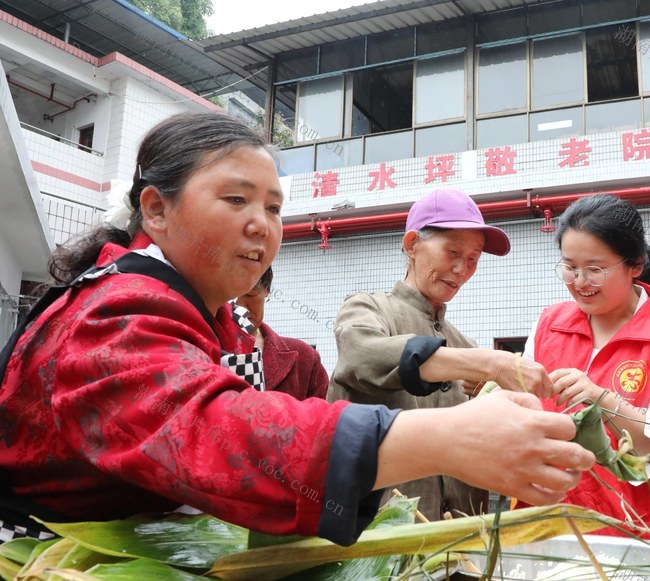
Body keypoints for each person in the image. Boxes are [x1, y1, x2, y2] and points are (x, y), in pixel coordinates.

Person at [0, 112, 593, 546]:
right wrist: (453, 430)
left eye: (276, 209)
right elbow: (224, 430)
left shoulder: (208, 315)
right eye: (237, 199)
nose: (262, 224)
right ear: (155, 209)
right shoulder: (113, 313)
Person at [331, 188, 554, 521]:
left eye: (473, 259)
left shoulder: (461, 342)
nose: (462, 269)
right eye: (453, 252)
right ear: (411, 245)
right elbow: (363, 356)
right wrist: (489, 361)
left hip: (457, 542)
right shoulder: (366, 309)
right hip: (375, 542)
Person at [524, 194, 650, 538]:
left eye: (595, 269)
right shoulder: (549, 325)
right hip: (544, 527)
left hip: (630, 537)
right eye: (569, 266)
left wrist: (603, 399)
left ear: (635, 265)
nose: (579, 281)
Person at [235, 266, 329, 400]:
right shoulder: (201, 350)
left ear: (267, 289)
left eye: (250, 294)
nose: (240, 308)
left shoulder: (304, 358)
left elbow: (323, 416)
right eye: (228, 298)